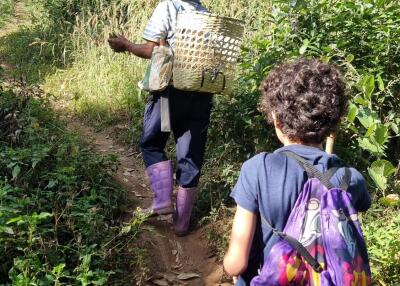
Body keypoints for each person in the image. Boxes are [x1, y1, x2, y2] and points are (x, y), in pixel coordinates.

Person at [223, 58, 372, 285]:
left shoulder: (257, 169)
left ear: (276, 119)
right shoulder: (351, 178)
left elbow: (236, 263)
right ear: (333, 122)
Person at [108, 0, 212, 236]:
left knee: (153, 143)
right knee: (191, 155)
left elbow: (152, 49)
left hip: (169, 94)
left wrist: (126, 44)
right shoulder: (204, 12)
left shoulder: (169, 6)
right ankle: (182, 223)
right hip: (201, 96)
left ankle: (163, 200)